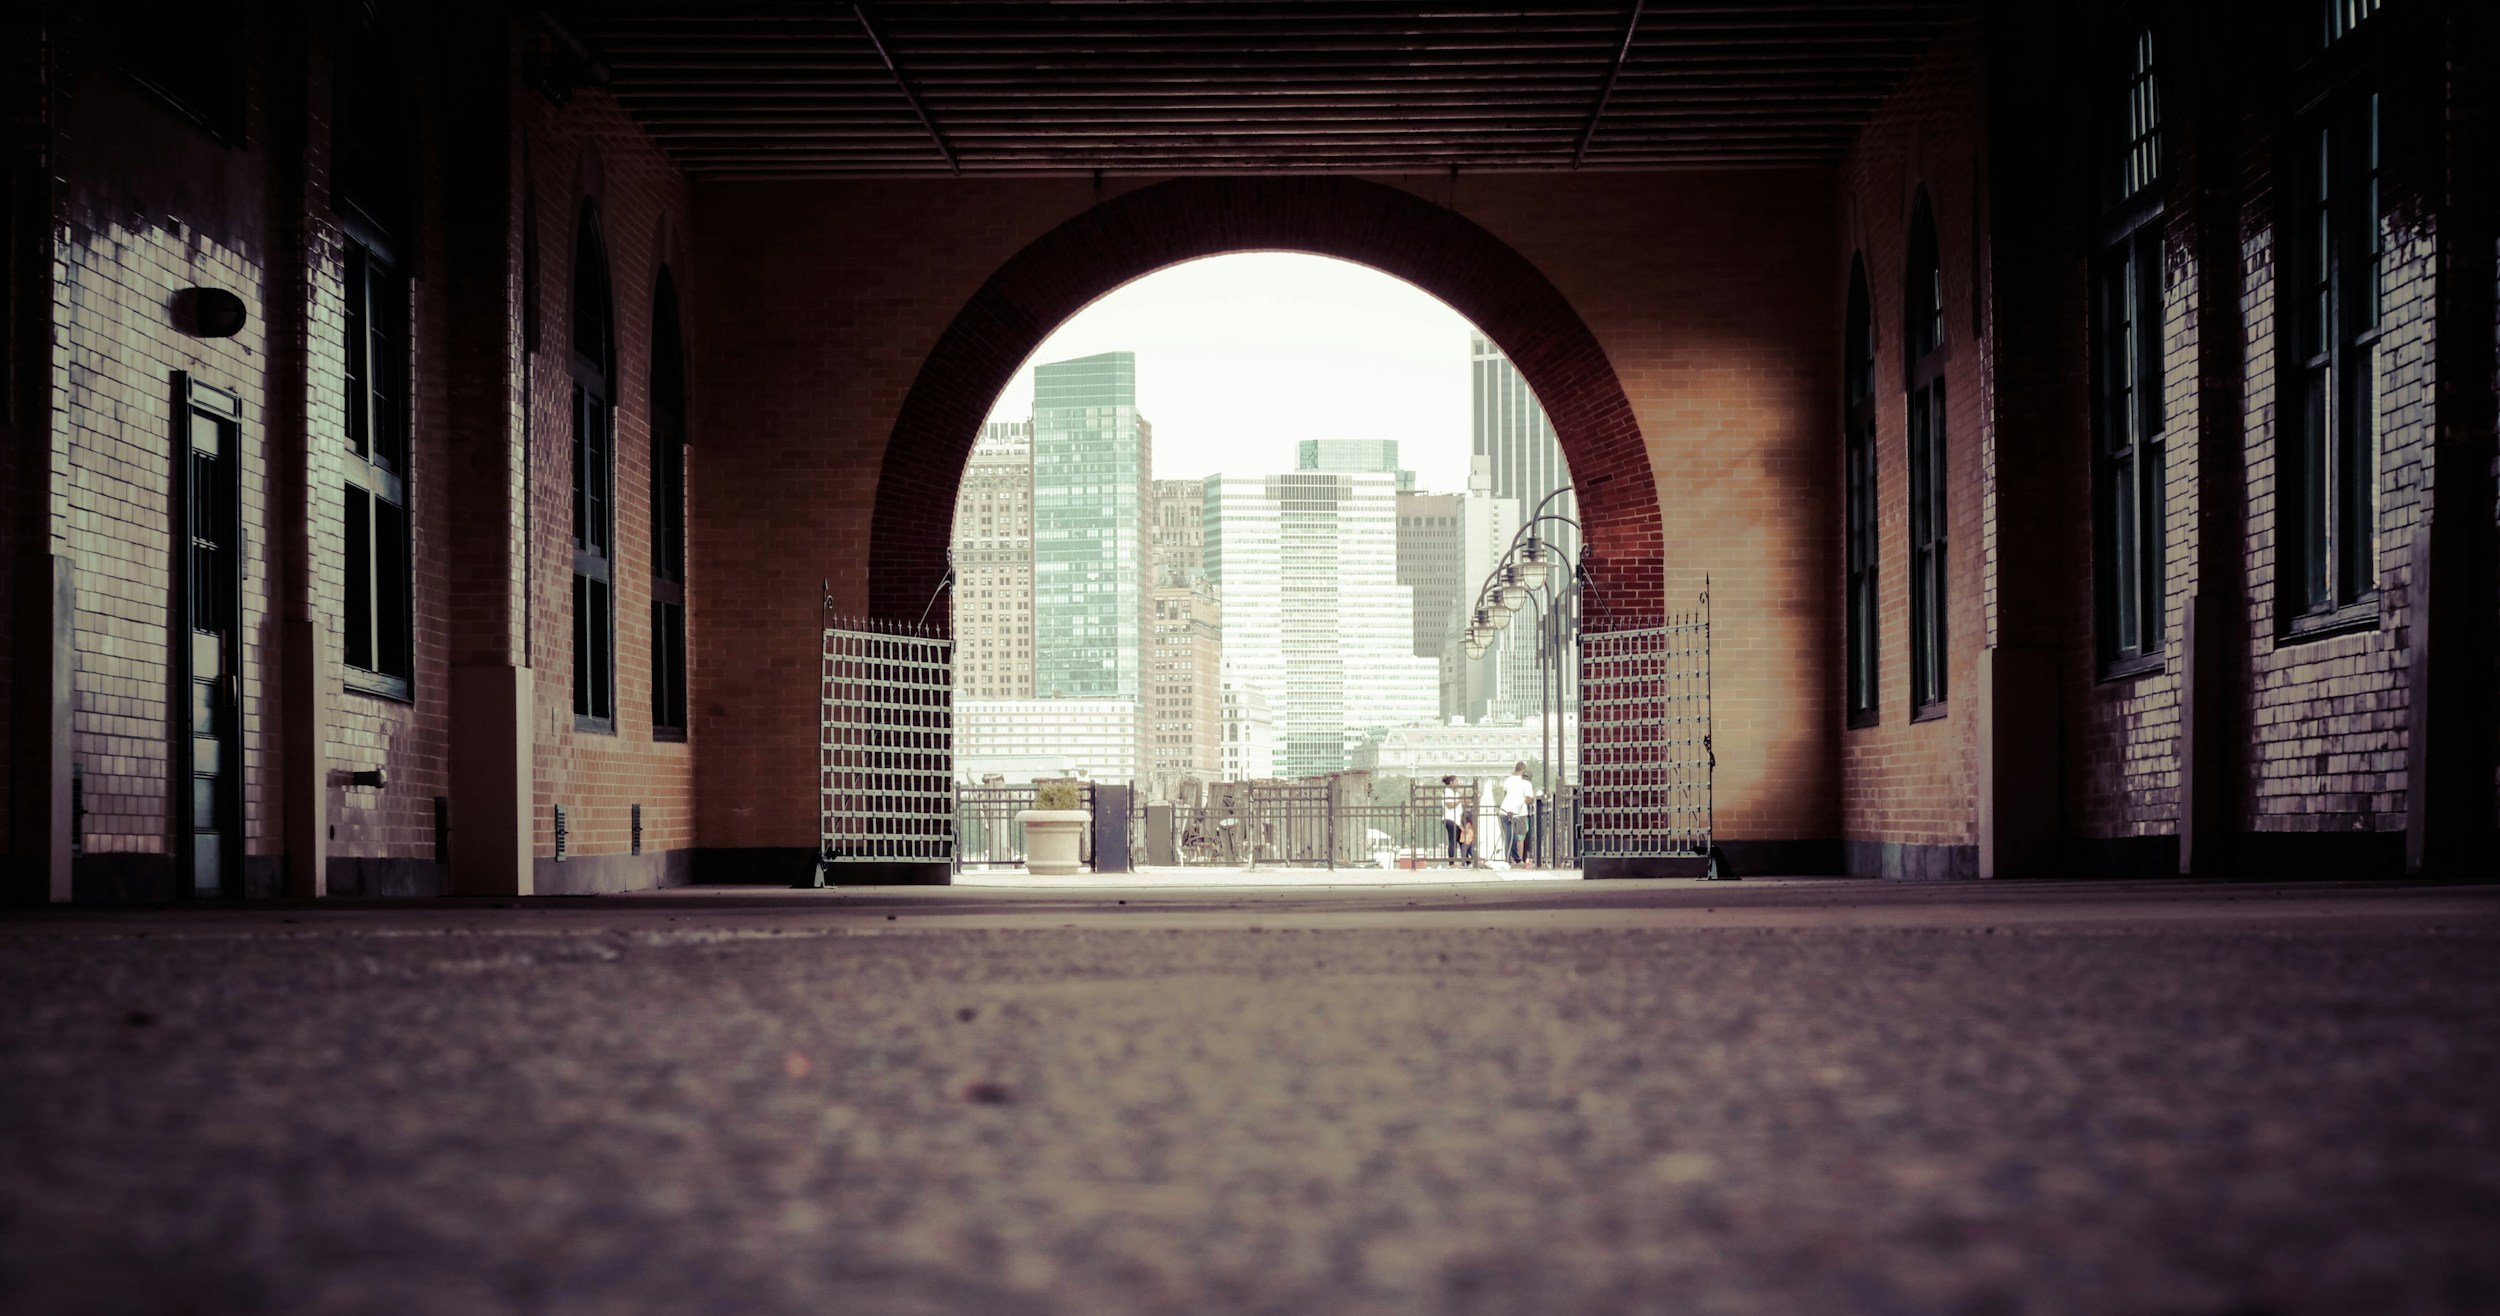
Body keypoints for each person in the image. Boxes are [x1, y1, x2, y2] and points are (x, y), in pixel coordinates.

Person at [1499, 761, 1539, 867]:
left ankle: (1516, 859)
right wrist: (1528, 798)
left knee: (1513, 836)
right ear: (1523, 771)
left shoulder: (1507, 780)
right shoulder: (1526, 784)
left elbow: (1505, 794)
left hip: (1504, 810)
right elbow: (1530, 799)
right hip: (1514, 813)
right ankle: (1509, 859)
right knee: (1512, 837)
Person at [1440, 775, 1467, 865]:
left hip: (1456, 820)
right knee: (1453, 840)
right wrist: (1459, 801)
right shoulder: (1447, 792)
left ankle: (1465, 861)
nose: (1458, 783)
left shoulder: (1455, 793)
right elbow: (1449, 805)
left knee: (1461, 840)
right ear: (1451, 782)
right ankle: (1452, 863)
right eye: (1456, 781)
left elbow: (1461, 803)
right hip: (1450, 819)